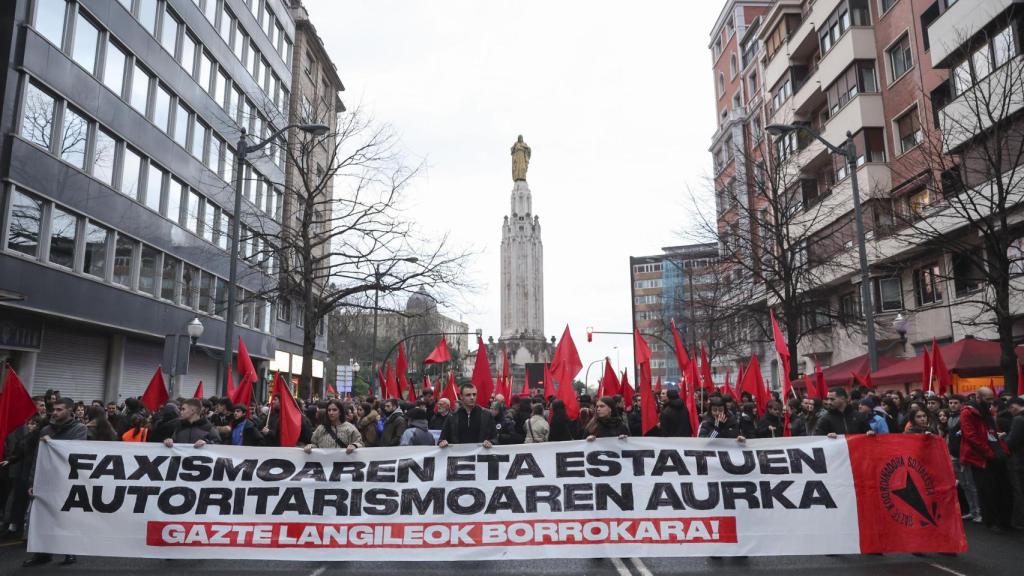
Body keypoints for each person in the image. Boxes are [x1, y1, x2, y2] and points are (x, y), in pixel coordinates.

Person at [23, 398, 86, 567]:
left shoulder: (79, 429)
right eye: (54, 409)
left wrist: (53, 443)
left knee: (67, 517)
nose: (54, 412)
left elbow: (75, 452)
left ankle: (69, 551)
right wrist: (32, 482)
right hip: (46, 480)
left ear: (70, 410)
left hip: (66, 479)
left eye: (59, 409)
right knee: (43, 516)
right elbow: (38, 457)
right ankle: (42, 553)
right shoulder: (46, 429)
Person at [959, 386, 1014, 532]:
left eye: (992, 399)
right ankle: (992, 522)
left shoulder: (987, 411)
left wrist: (1001, 449)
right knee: (987, 491)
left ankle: (1003, 520)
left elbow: (991, 432)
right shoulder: (968, 412)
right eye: (988, 399)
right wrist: (989, 452)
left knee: (1002, 489)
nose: (991, 402)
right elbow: (971, 437)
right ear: (978, 397)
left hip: (994, 454)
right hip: (982, 457)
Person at [1006, 396, 1024, 529]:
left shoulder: (1018, 419)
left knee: (1018, 492)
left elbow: (1011, 441)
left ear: (1014, 406)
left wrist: (1004, 439)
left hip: (1017, 460)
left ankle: (1018, 521)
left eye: (1010, 408)